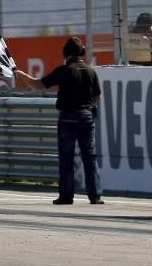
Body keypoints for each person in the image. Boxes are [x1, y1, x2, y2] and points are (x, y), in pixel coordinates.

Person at [14, 37, 103, 205]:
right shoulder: (91, 71)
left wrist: (23, 76)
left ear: (66, 53)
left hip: (68, 118)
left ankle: (66, 196)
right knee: (89, 157)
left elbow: (39, 84)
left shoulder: (64, 70)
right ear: (81, 53)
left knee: (66, 158)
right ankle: (95, 196)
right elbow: (98, 96)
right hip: (86, 117)